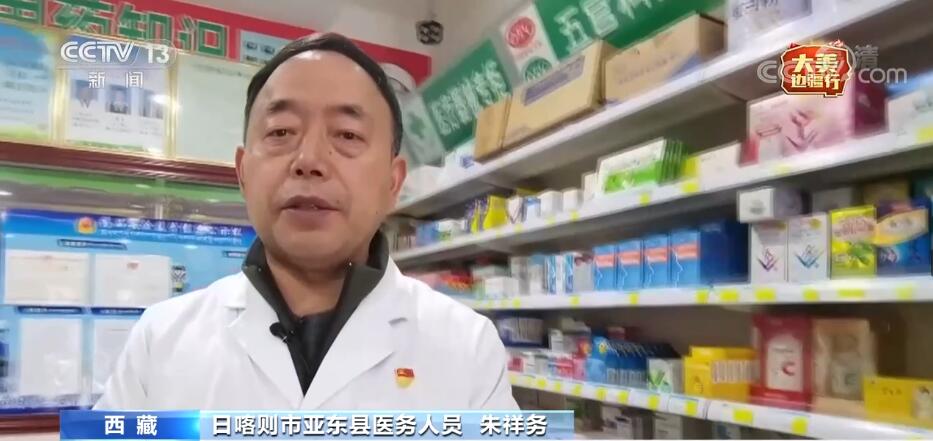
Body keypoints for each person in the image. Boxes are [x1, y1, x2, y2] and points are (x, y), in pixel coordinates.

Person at [94, 33, 517, 410]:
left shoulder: (468, 349)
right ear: (243, 171)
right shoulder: (159, 341)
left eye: (347, 135)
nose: (309, 160)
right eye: (281, 132)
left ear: (392, 183)